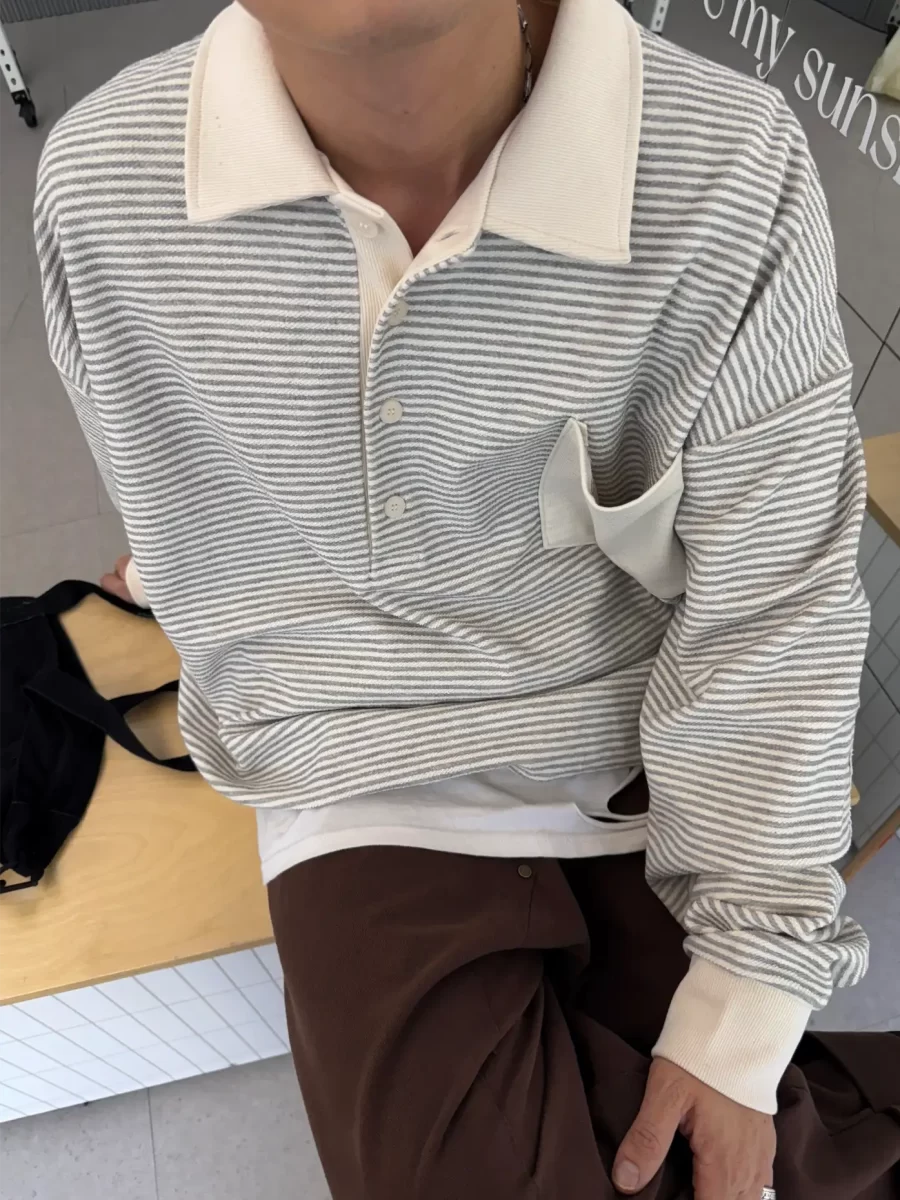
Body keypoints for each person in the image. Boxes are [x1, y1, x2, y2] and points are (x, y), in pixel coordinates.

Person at [33, 0, 900, 1197]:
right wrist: (189, 571)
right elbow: (170, 479)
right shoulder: (103, 186)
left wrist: (747, 998)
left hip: (637, 734)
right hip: (346, 761)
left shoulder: (725, 161)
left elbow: (776, 602)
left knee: (728, 1156)